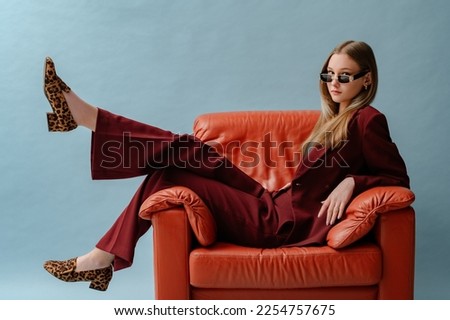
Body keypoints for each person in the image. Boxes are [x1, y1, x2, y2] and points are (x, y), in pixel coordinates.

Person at [42, 40, 410, 292]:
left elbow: (398, 180)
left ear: (367, 79)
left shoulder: (367, 120)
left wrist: (353, 183)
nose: (334, 83)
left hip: (281, 226)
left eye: (345, 76)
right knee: (186, 150)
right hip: (272, 201)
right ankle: (88, 118)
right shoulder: (334, 118)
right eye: (328, 74)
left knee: (168, 171)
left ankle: (101, 254)